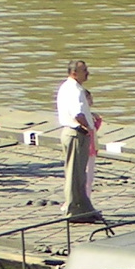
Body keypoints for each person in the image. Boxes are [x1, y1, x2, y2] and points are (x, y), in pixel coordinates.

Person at [56, 59, 101, 222]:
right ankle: (74, 210)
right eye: (84, 70)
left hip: (72, 133)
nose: (87, 73)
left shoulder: (66, 87)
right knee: (75, 175)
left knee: (79, 175)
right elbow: (78, 114)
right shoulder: (74, 90)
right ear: (74, 73)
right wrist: (88, 128)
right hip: (76, 133)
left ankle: (85, 208)